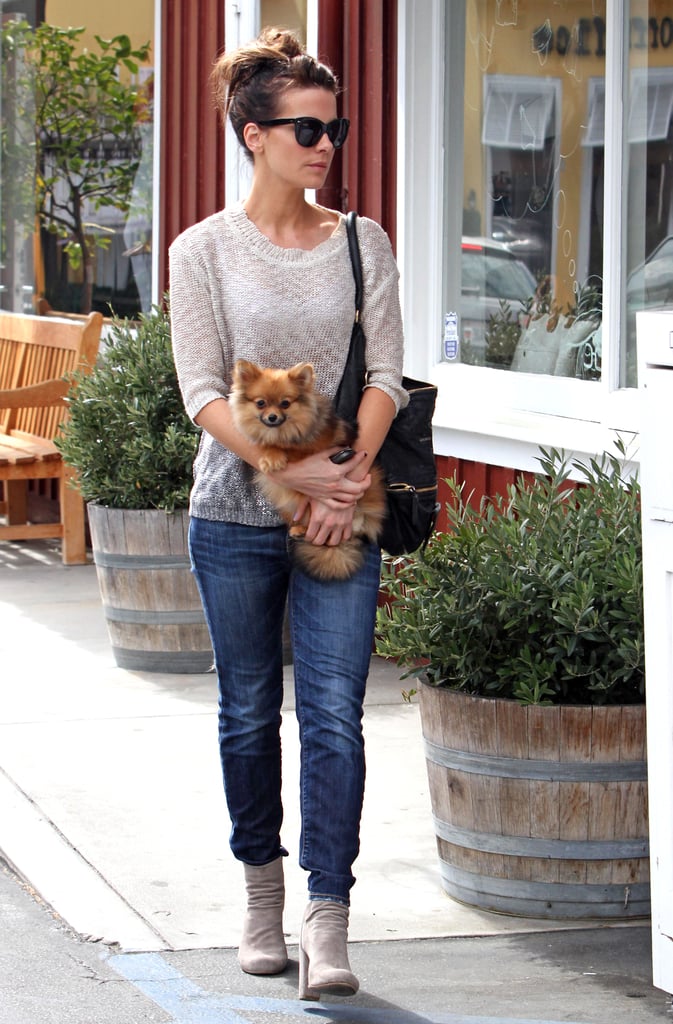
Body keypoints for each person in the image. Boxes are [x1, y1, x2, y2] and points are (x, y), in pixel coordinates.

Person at [168, 26, 407, 1001]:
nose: (326, 144)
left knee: (334, 718)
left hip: (342, 512)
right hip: (232, 516)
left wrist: (341, 479)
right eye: (307, 128)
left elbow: (387, 371)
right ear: (253, 135)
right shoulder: (202, 251)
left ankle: (327, 916)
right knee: (243, 717)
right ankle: (261, 896)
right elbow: (197, 390)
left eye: (334, 127)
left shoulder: (361, 241)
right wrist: (284, 467)